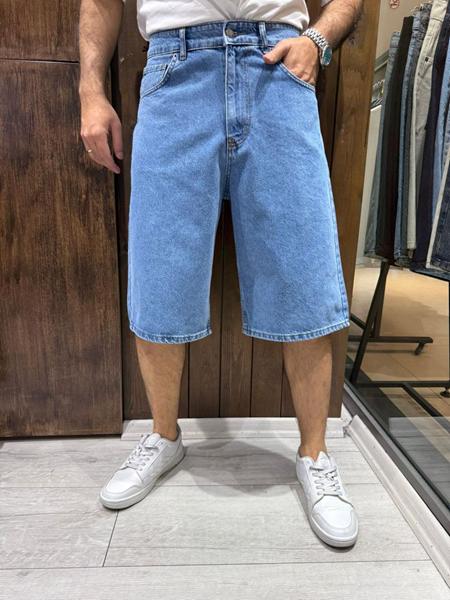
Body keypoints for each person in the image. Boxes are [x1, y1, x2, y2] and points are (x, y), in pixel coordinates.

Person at [79, 0, 363, 548]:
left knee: (302, 271)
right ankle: (164, 438)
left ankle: (315, 455)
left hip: (277, 68)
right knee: (160, 269)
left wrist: (319, 40)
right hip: (175, 68)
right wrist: (91, 89)